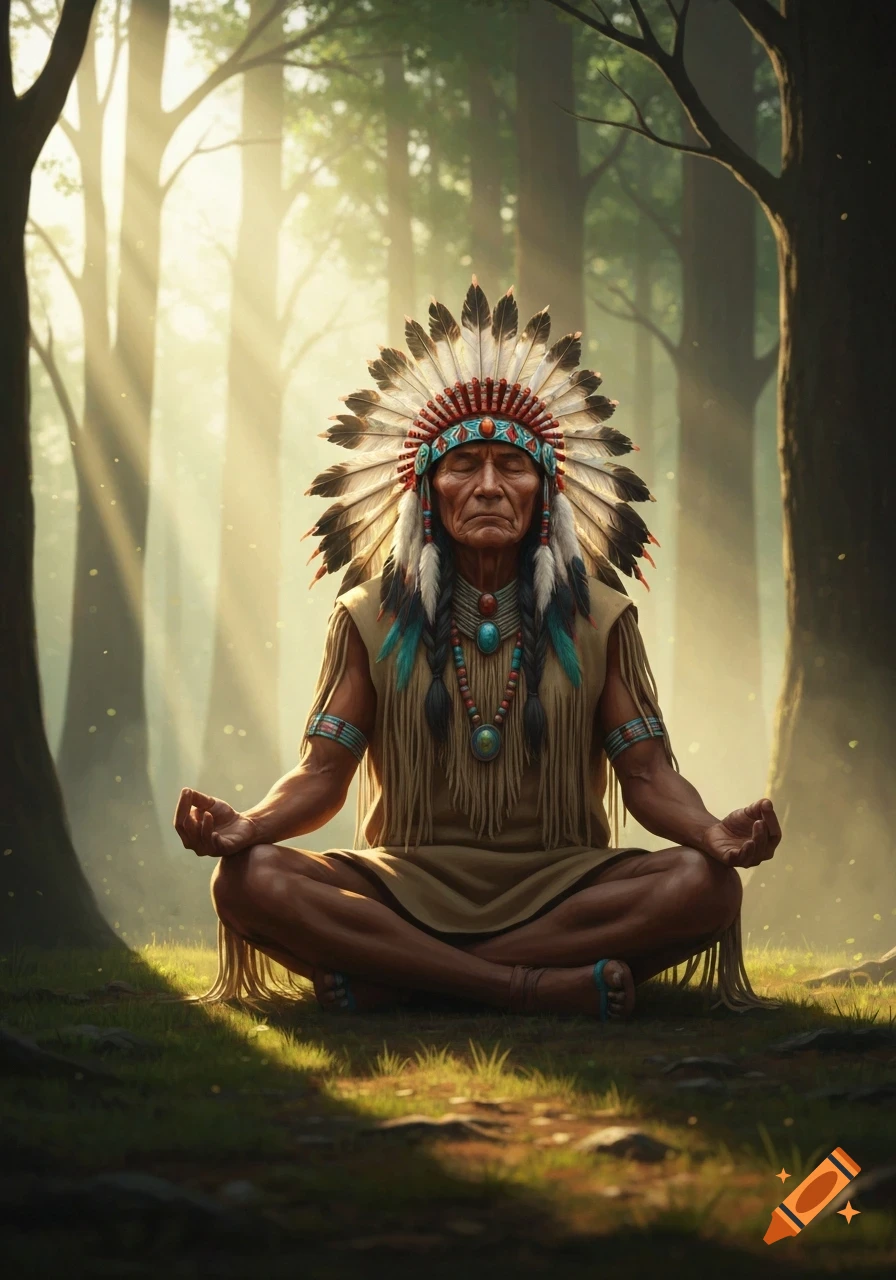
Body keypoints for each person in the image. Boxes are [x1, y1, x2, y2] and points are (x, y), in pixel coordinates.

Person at [174, 280, 781, 1019]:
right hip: (403, 883)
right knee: (247, 880)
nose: (489, 485)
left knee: (706, 885)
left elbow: (647, 775)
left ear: (545, 491)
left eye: (511, 465)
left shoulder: (599, 617)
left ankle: (404, 981)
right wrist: (251, 827)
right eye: (464, 466)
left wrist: (713, 833)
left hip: (567, 884)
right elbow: (322, 772)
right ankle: (524, 987)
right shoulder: (370, 617)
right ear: (427, 491)